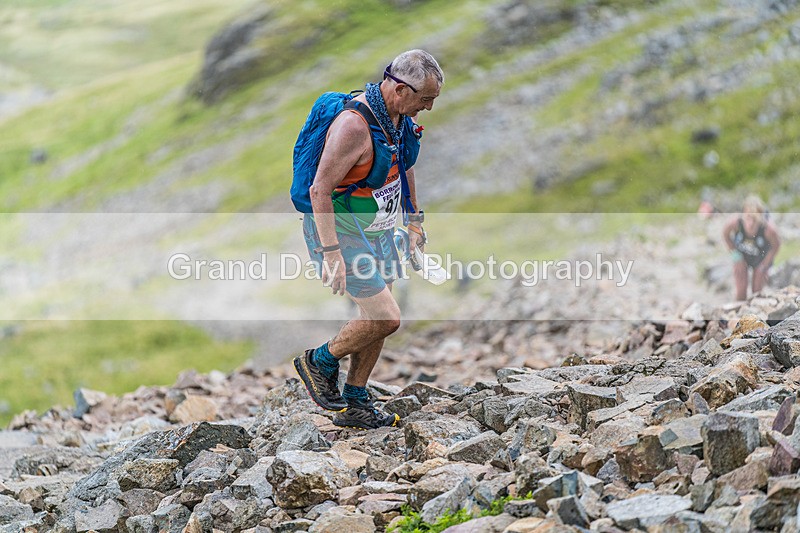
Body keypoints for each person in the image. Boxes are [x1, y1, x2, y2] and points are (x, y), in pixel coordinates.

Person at [294, 50, 443, 430]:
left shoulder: (398, 118)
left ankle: (356, 401)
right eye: (425, 99)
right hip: (340, 229)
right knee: (387, 317)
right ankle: (319, 361)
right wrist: (331, 254)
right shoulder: (353, 126)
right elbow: (319, 190)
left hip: (380, 228)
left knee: (375, 316)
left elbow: (404, 166)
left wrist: (414, 223)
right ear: (398, 87)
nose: (427, 107)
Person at [722, 195, 780, 301]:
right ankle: (739, 313)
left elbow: (776, 246)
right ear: (743, 213)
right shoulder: (735, 222)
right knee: (740, 289)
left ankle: (754, 313)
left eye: (754, 219)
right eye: (748, 217)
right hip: (742, 255)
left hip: (761, 257)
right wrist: (735, 255)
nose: (751, 223)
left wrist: (764, 265)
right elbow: (725, 234)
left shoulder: (768, 228)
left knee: (756, 291)